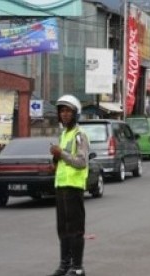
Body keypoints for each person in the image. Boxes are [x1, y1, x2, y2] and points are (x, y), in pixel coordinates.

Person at [48, 95, 89, 276]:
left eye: (68, 111)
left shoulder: (80, 135)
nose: (64, 114)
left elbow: (81, 162)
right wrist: (55, 160)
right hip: (61, 187)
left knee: (75, 229)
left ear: (75, 114)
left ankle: (77, 267)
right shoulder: (63, 134)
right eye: (61, 111)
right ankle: (65, 264)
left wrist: (61, 153)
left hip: (74, 188)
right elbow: (62, 160)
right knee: (62, 228)